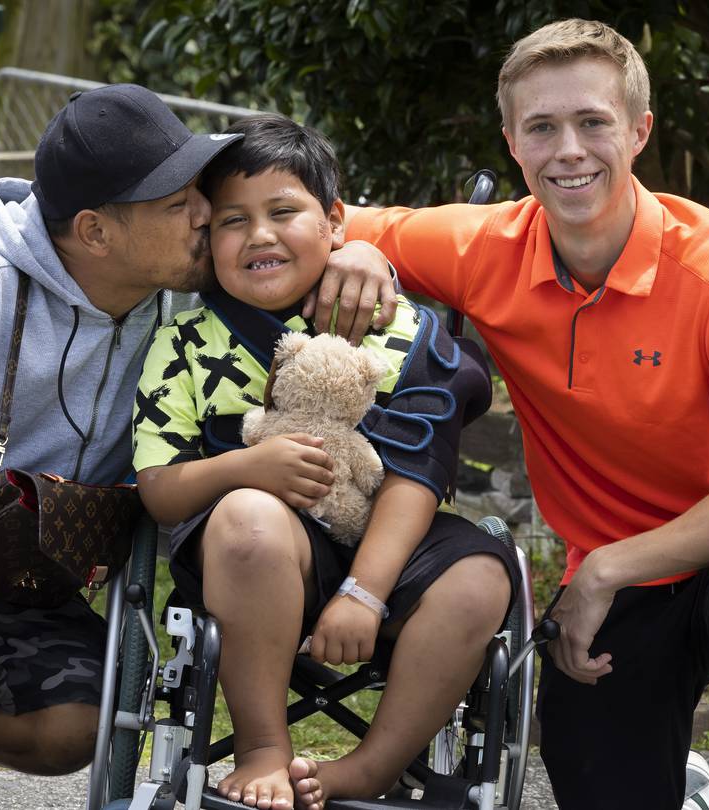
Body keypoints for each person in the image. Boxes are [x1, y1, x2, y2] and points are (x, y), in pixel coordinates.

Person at [0, 85, 391, 810]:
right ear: (95, 232)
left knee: (79, 726)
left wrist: (371, 251)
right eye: (176, 202)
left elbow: (296, 230)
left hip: (11, 569)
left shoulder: (184, 276)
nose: (205, 214)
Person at [344, 19, 709, 810]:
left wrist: (606, 567)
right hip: (627, 590)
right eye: (542, 127)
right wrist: (362, 251)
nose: (568, 150)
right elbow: (313, 220)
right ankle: (677, 778)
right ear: (513, 142)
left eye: (593, 123)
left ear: (639, 130)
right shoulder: (484, 248)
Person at [131, 114, 519, 810]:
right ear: (206, 238)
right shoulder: (183, 344)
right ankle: (262, 747)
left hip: (396, 547)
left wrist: (365, 592)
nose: (259, 236)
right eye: (231, 221)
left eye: (283, 212)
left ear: (335, 221)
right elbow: (160, 494)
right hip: (256, 561)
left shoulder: (395, 326)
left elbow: (417, 472)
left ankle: (372, 766)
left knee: (482, 578)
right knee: (247, 516)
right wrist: (243, 469)